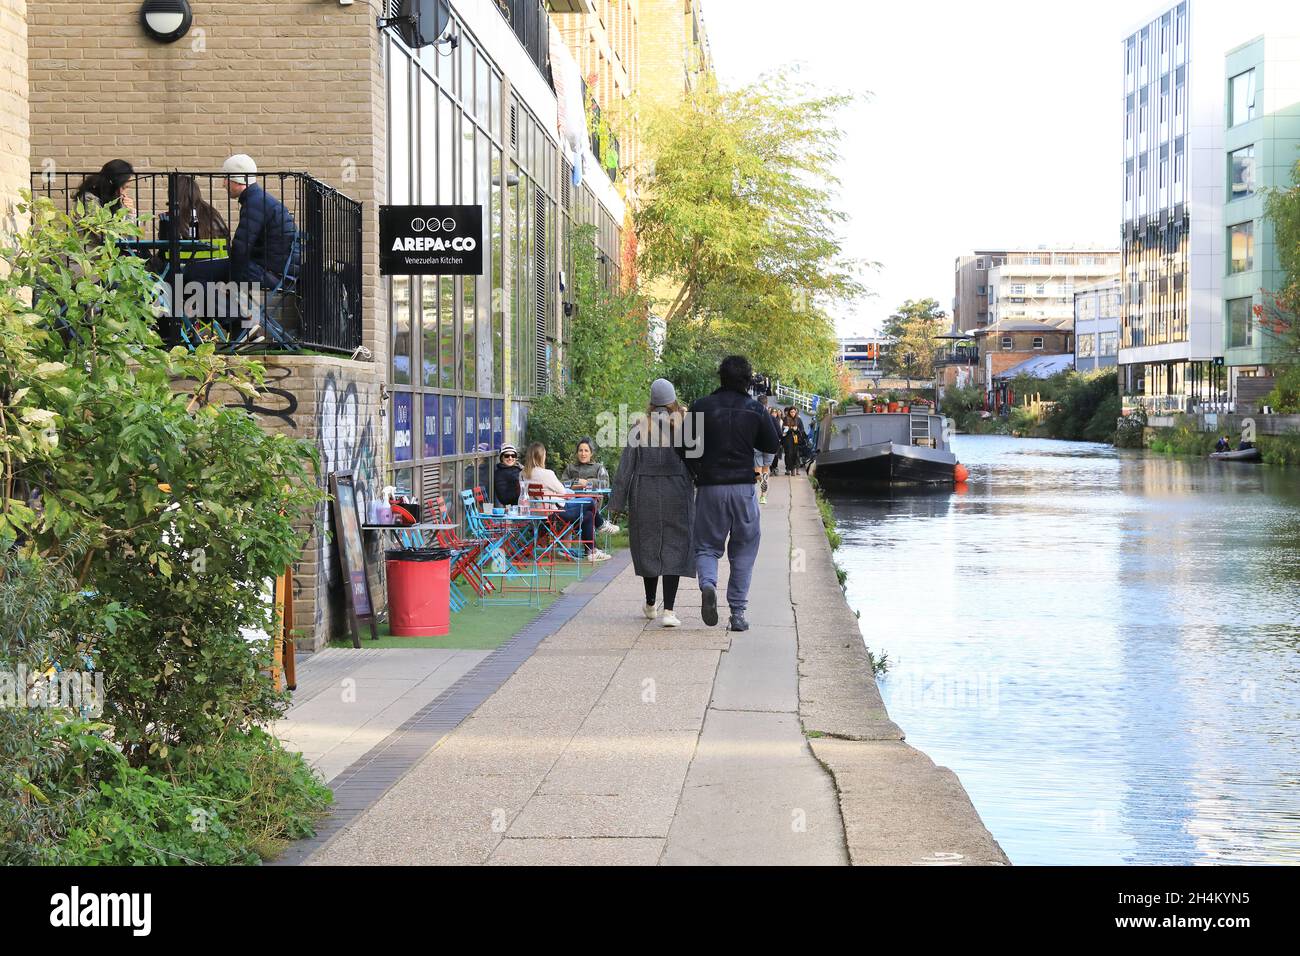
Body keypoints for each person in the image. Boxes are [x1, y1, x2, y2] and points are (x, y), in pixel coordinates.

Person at [688, 355, 782, 632]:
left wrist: (698, 471)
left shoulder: (701, 407)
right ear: (747, 380)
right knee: (743, 549)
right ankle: (738, 613)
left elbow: (684, 447)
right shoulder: (754, 409)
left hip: (710, 488)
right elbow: (772, 444)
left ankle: (708, 584)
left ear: (721, 376)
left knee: (706, 545)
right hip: (743, 488)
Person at [610, 379, 695, 628]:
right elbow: (696, 461)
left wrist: (616, 504)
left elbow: (625, 468)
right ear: (673, 400)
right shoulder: (683, 426)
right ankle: (669, 610)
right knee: (674, 548)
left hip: (644, 491)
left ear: (651, 401)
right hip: (677, 491)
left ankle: (650, 603)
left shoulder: (639, 427)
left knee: (648, 546)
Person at [182, 154, 298, 324]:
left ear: (236, 180)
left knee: (192, 273)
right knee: (198, 275)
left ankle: (238, 322)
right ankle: (236, 323)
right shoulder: (260, 200)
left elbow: (240, 249)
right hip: (275, 270)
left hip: (267, 273)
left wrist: (234, 283)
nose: (223, 184)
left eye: (225, 179)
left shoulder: (255, 203)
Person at [520, 442, 611, 562]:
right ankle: (601, 525)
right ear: (541, 456)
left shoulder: (522, 474)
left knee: (588, 515)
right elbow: (563, 492)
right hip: (555, 512)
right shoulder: (547, 474)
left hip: (535, 513)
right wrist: (571, 493)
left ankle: (591, 552)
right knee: (590, 501)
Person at [562, 438, 619, 534]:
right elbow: (562, 484)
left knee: (588, 509)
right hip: (572, 503)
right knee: (588, 513)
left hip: (593, 502)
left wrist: (588, 482)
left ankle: (591, 548)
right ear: (577, 453)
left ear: (591, 453)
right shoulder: (570, 468)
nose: (583, 454)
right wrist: (577, 481)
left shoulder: (598, 467)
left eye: (586, 451)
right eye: (580, 450)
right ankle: (600, 526)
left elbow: (605, 483)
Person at [782, 407, 808, 475]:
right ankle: (789, 468)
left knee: (796, 453)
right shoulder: (786, 419)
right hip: (788, 439)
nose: (793, 413)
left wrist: (797, 429)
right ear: (789, 412)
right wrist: (791, 429)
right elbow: (783, 429)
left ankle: (795, 469)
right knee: (789, 454)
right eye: (791, 412)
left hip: (796, 439)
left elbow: (802, 429)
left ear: (796, 412)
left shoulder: (798, 419)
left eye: (794, 412)